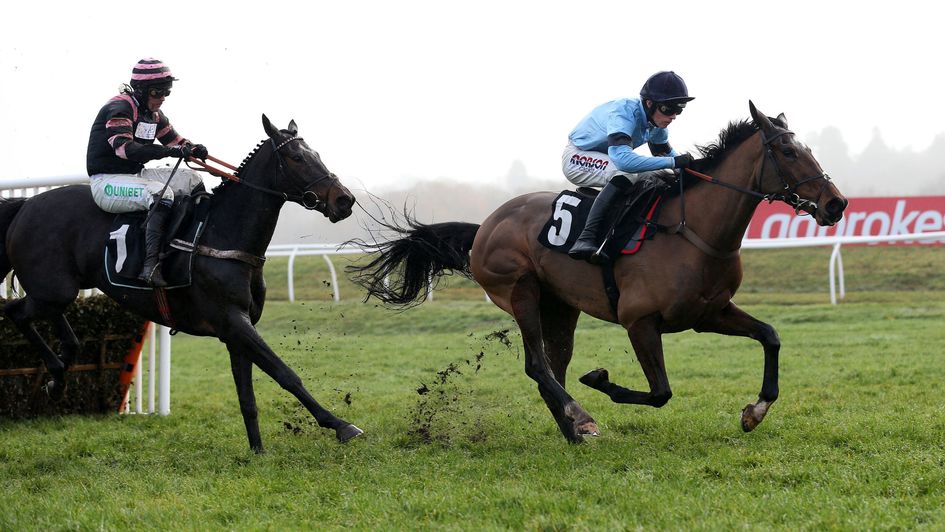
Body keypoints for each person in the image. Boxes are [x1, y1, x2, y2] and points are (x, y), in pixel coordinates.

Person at [86, 58, 209, 287]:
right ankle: (150, 266)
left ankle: (192, 243)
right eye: (157, 92)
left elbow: (175, 141)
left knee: (193, 179)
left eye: (167, 92)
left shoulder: (154, 114)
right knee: (162, 194)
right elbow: (125, 149)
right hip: (107, 182)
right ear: (141, 90)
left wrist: (193, 148)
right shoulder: (120, 107)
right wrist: (170, 152)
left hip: (136, 176)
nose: (162, 97)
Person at [562, 71, 695, 263]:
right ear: (649, 104)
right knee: (626, 173)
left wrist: (693, 168)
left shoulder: (656, 124)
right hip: (577, 157)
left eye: (679, 110)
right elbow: (624, 161)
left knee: (660, 176)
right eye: (668, 109)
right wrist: (674, 163)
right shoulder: (624, 112)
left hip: (607, 158)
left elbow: (665, 155)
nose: (673, 116)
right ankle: (586, 238)